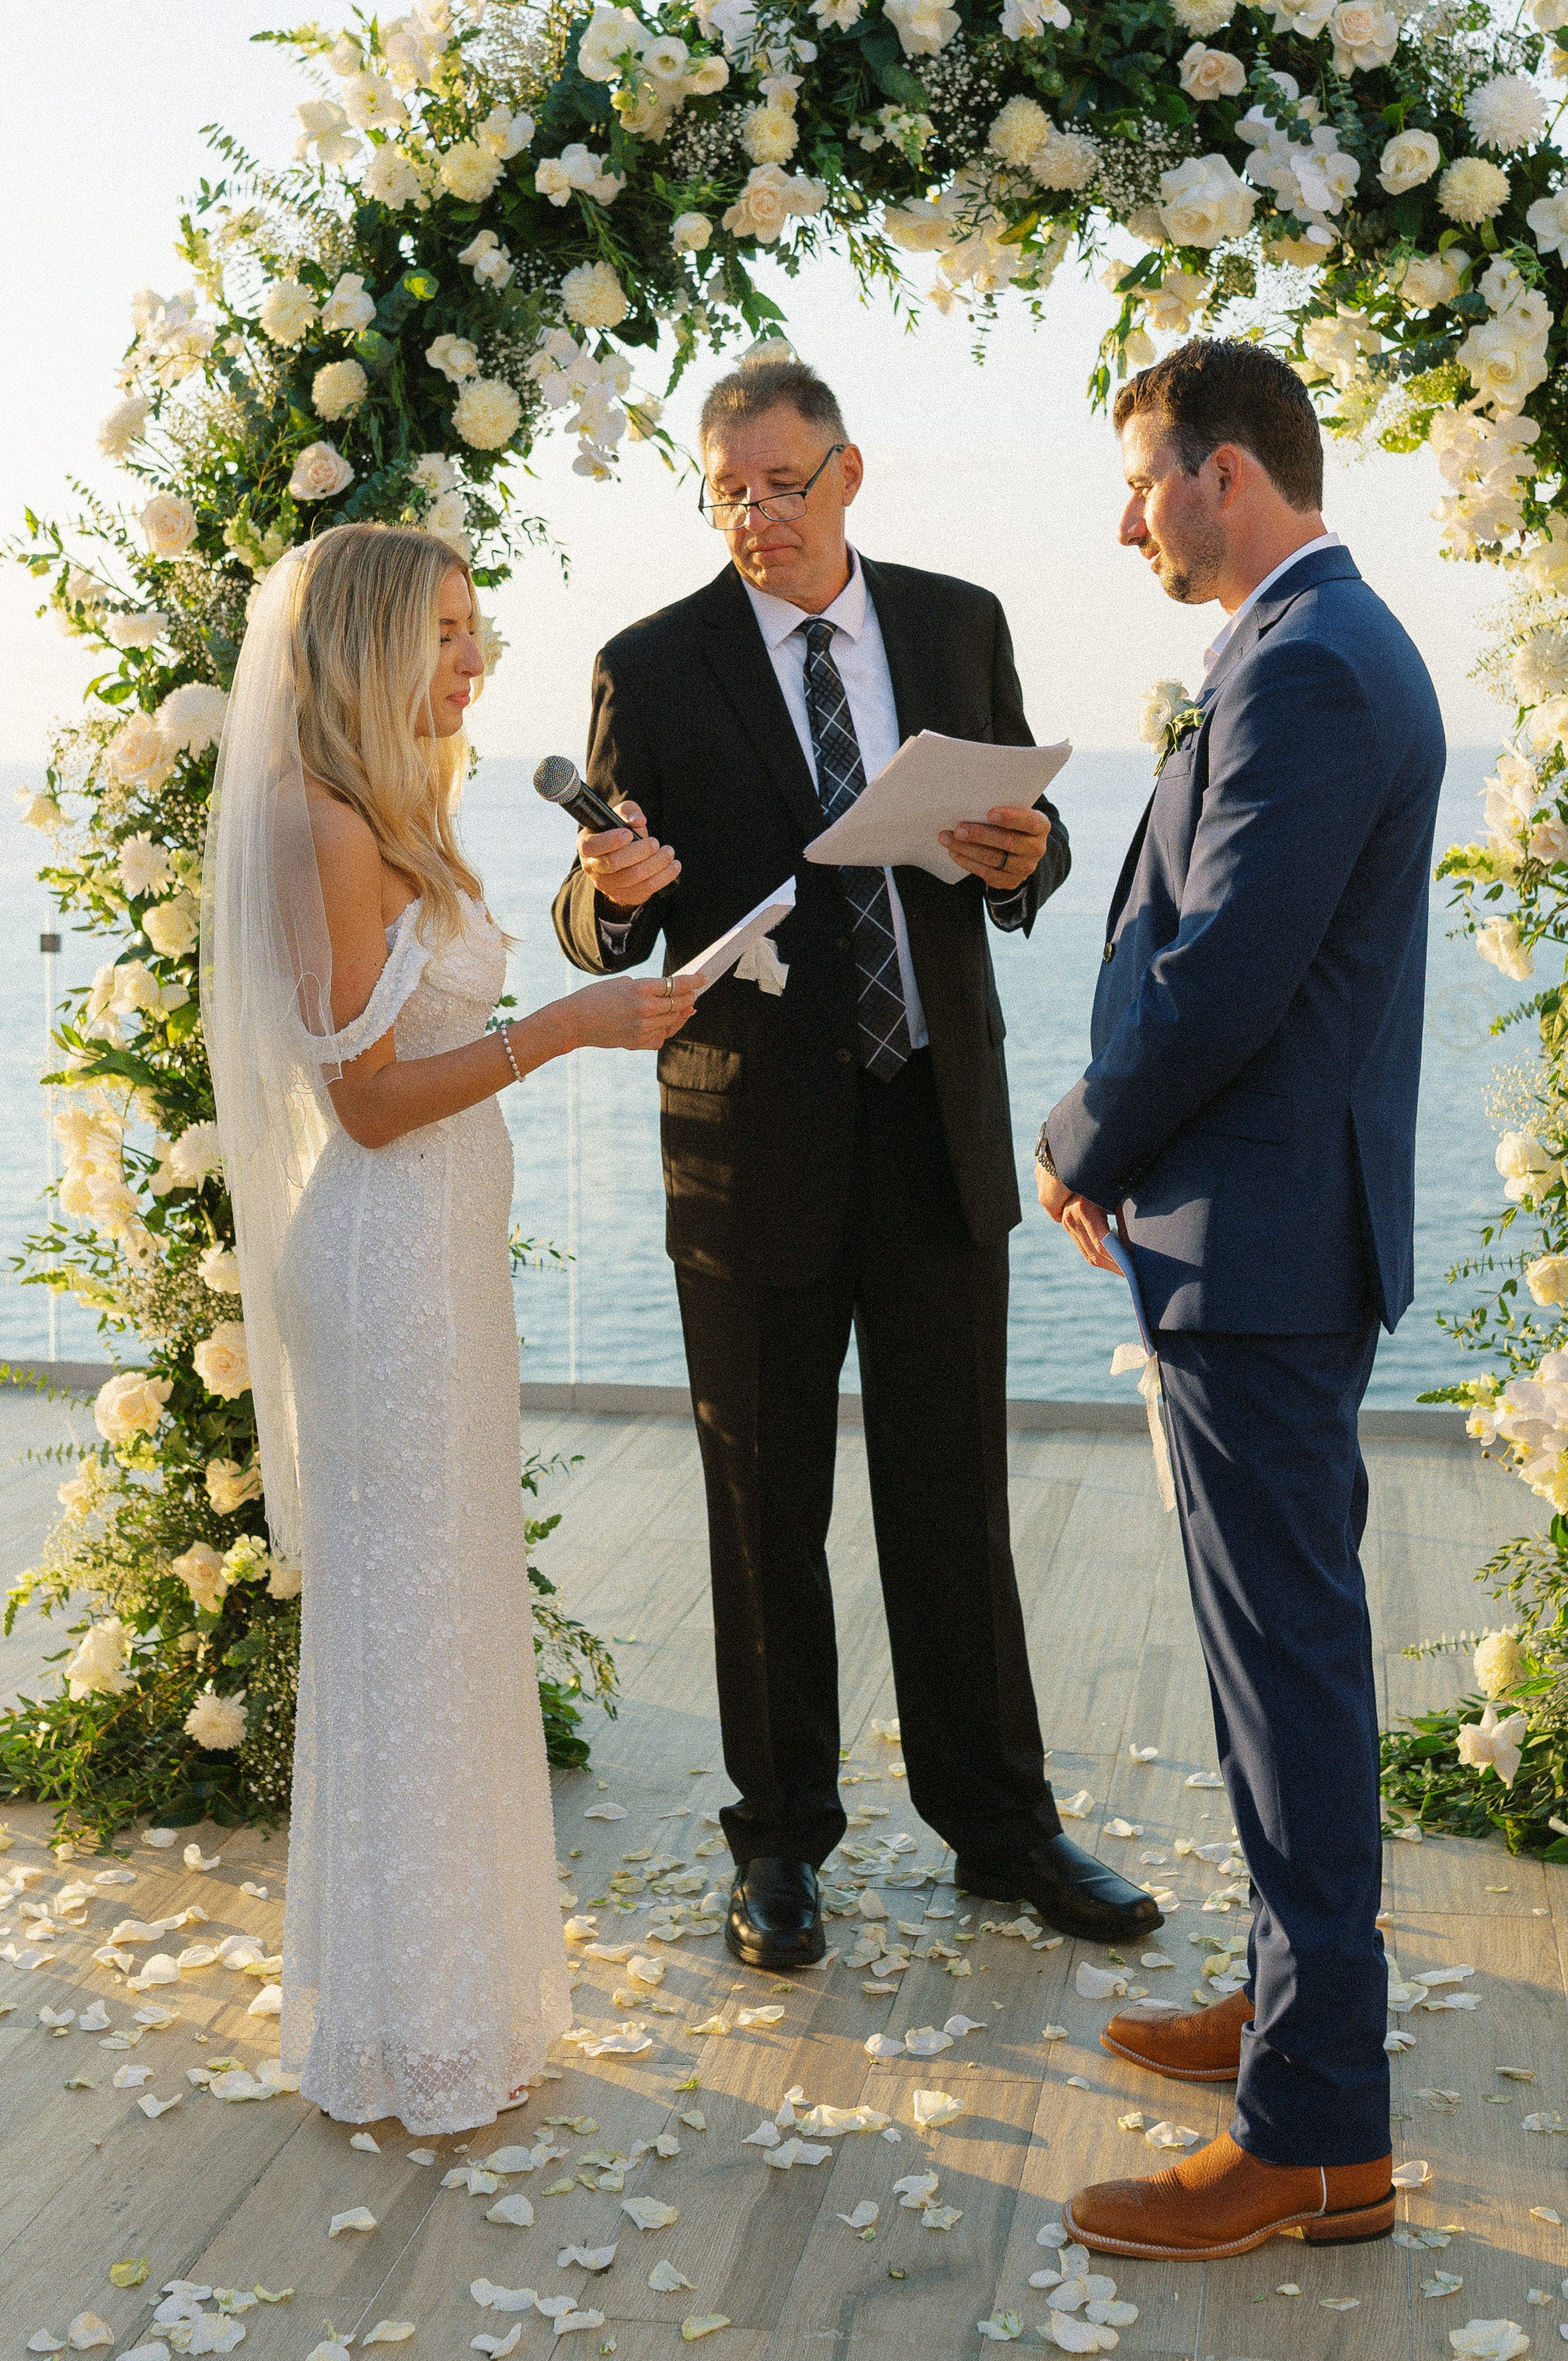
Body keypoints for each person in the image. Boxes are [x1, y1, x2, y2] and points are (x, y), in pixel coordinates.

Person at [550, 354, 1160, 1969]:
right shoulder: (651, 664)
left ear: (849, 475)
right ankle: (778, 1846)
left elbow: (1022, 844)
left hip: (933, 1125)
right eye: (727, 492)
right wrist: (615, 894)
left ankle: (1002, 1829)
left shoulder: (955, 626)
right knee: (764, 1508)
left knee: (950, 1499)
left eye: (782, 485)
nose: (756, 517)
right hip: (749, 1145)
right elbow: (593, 907)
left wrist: (1029, 859)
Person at [202, 521, 692, 2135]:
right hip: (386, 1254)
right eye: (448, 633)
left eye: (479, 630)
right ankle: (406, 2027)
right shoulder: (319, 821)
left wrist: (608, 903)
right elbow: (362, 1103)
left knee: (455, 1607)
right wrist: (563, 1029)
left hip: (443, 1254)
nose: (478, 661)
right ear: (362, 650)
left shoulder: (396, 808)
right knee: (403, 1623)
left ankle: (462, 2002)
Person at [1037, 339, 1445, 2261]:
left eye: (1142, 481)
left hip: (1259, 1249)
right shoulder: (1321, 643)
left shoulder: (1302, 666)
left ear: (1225, 474)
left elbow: (1219, 978)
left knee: (1288, 1680)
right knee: (1274, 1667)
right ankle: (1298, 2023)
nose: (1124, 518)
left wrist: (1074, 1135)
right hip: (1265, 1240)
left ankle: (1312, 2136)